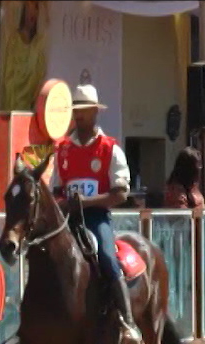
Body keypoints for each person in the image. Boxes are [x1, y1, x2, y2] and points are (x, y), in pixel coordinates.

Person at [51, 84, 141, 341]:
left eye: (83, 111)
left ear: (94, 112)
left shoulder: (110, 149)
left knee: (107, 258)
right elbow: (57, 188)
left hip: (96, 218)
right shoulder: (63, 150)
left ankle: (128, 322)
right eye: (75, 111)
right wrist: (61, 202)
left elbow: (121, 193)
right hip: (66, 219)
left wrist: (86, 202)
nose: (78, 116)